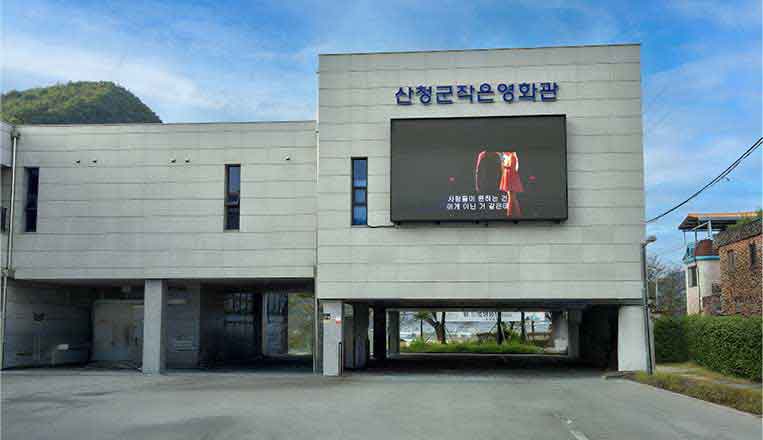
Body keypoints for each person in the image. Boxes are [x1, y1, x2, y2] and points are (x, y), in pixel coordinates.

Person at [475, 150, 524, 217]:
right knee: (510, 197)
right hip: (486, 183)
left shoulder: (500, 155)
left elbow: (503, 170)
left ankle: (512, 214)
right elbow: (478, 171)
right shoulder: (483, 155)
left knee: (511, 197)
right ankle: (511, 214)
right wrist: (478, 184)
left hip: (498, 182)